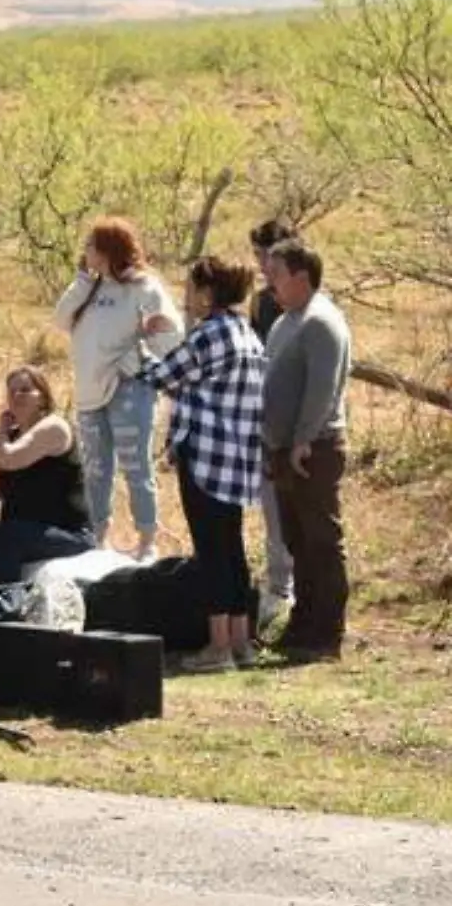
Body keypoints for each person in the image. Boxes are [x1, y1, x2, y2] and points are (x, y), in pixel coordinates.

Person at [133, 255, 268, 673]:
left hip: (206, 456)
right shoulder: (246, 333)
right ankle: (241, 643)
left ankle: (218, 647)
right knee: (231, 549)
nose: (187, 296)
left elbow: (162, 376)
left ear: (208, 295)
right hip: (238, 460)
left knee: (211, 553)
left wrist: (140, 344)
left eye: (192, 288)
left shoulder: (210, 335)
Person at [52, 217, 184, 561]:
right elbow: (60, 320)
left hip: (128, 390)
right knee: (96, 468)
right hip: (89, 390)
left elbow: (171, 333)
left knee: (135, 466)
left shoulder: (143, 287)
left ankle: (146, 542)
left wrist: (135, 356)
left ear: (109, 249)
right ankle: (97, 538)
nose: (86, 252)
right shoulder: (90, 287)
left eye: (91, 246)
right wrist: (82, 280)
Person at [260, 240, 353, 664]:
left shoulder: (321, 322)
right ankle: (303, 623)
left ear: (301, 276)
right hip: (281, 450)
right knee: (296, 541)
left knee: (321, 541)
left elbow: (322, 390)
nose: (268, 280)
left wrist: (302, 440)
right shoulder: (284, 324)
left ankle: (326, 632)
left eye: (276, 273)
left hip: (313, 449)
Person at [0, 366, 96, 585]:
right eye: (11, 391)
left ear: (42, 397)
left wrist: (2, 429)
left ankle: (8, 601)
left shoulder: (55, 427)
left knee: (6, 536)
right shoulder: (8, 440)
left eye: (25, 390)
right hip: (22, 531)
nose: (16, 396)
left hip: (66, 533)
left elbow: (8, 459)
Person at [247, 218, 299, 631]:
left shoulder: (307, 300)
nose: (263, 265)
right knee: (272, 507)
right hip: (266, 418)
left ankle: (295, 587)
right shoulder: (262, 302)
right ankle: (279, 586)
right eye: (258, 257)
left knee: (302, 509)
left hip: (302, 420)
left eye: (269, 256)